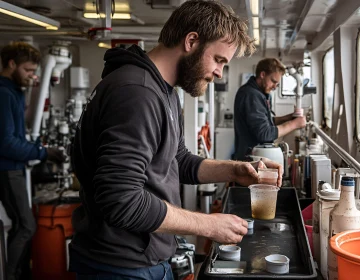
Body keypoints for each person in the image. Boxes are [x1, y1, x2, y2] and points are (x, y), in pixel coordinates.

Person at [68, 1, 282, 279]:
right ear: (192, 41)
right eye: (219, 60)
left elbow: (177, 161)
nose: (219, 73)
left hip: (145, 257)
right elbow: (121, 199)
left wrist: (234, 169)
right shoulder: (138, 93)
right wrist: (207, 225)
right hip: (122, 265)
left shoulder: (164, 91)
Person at [0, 42, 65, 280]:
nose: (32, 75)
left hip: (14, 168)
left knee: (21, 225)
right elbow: (6, 142)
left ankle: (19, 272)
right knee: (26, 225)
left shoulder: (13, 92)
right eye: (28, 70)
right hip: (8, 169)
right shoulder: (4, 94)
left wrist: (39, 149)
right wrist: (42, 153)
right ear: (11, 64)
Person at [233, 58, 307, 161]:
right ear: (262, 75)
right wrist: (295, 124)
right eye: (273, 81)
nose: (275, 87)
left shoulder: (260, 93)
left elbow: (266, 121)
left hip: (255, 156)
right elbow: (265, 133)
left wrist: (290, 117)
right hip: (250, 160)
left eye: (277, 84)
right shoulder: (251, 95)